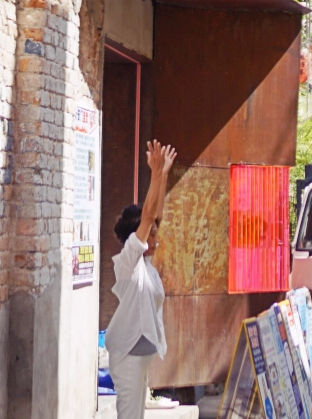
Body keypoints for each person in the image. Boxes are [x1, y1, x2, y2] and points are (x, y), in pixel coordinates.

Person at [104, 140, 177, 419]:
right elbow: (148, 216)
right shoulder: (128, 262)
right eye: (151, 234)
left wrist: (163, 175)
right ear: (138, 236)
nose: (156, 238)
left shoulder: (145, 266)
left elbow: (153, 214)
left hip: (139, 359)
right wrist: (155, 173)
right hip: (128, 357)